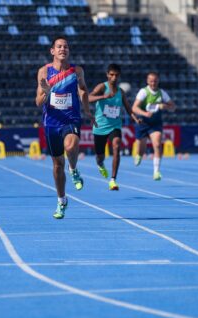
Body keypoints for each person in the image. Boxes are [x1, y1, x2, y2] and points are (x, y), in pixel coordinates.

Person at [36, 36, 96, 219]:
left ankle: (74, 169)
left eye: (66, 46)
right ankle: (62, 200)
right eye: (59, 46)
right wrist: (45, 92)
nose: (63, 49)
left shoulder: (76, 71)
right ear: (52, 51)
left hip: (71, 119)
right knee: (56, 165)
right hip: (51, 122)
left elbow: (84, 90)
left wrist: (87, 111)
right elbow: (38, 102)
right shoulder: (44, 72)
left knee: (71, 146)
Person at [89, 63, 139, 190]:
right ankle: (100, 164)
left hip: (115, 126)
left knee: (116, 147)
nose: (114, 77)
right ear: (107, 75)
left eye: (116, 75)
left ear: (119, 76)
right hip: (100, 127)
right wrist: (103, 96)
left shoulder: (121, 92)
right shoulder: (102, 87)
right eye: (111, 75)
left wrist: (136, 119)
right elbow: (88, 98)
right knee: (100, 156)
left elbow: (128, 109)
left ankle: (113, 180)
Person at [132, 72, 176, 181]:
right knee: (141, 149)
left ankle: (156, 172)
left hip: (155, 124)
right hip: (142, 123)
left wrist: (164, 106)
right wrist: (145, 113)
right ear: (147, 81)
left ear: (158, 81)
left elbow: (173, 107)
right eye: (151, 81)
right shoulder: (143, 92)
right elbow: (134, 108)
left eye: (155, 81)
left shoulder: (162, 93)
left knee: (157, 144)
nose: (153, 83)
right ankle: (139, 155)